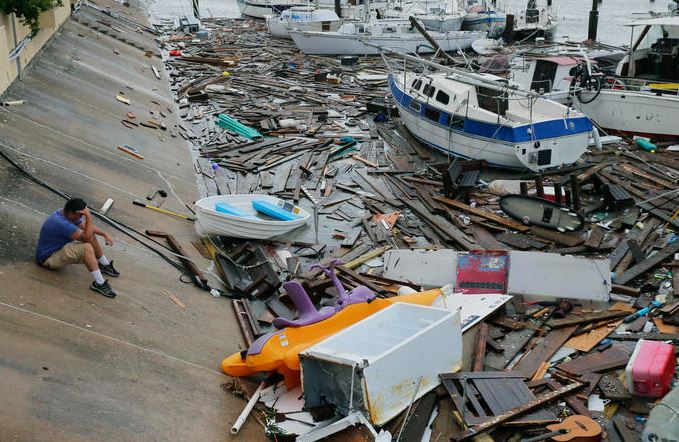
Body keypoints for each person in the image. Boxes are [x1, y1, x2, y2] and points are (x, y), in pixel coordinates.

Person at [36, 198, 119, 298]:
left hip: (57, 250)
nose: (81, 217)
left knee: (90, 234)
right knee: (86, 248)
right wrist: (88, 217)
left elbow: (87, 228)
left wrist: (104, 234)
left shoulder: (65, 213)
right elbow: (85, 237)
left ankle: (104, 264)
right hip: (48, 259)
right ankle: (99, 284)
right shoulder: (61, 223)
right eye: (80, 215)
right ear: (71, 212)